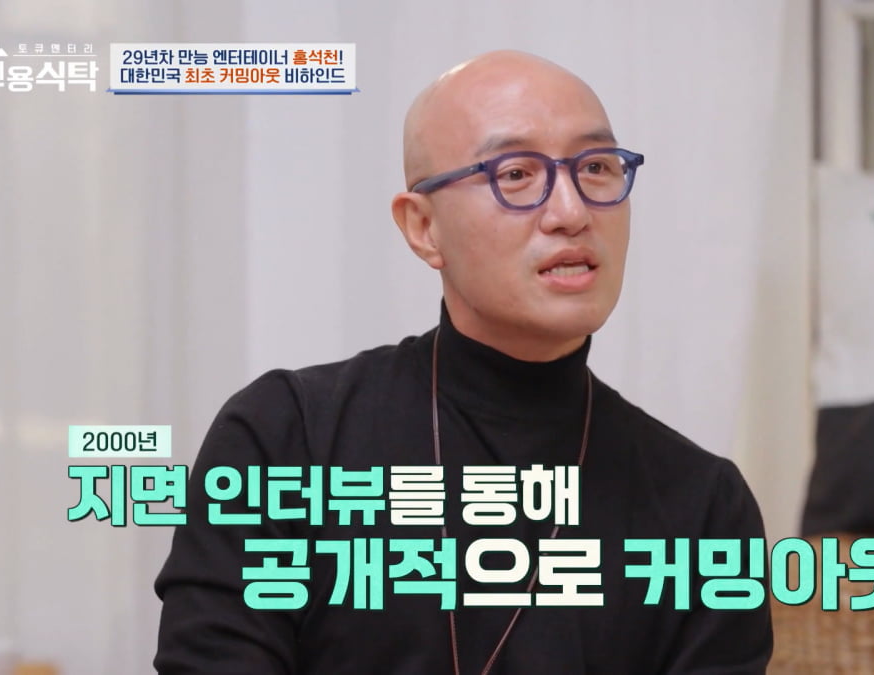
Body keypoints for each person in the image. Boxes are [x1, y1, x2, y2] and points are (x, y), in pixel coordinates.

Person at [154, 50, 772, 674]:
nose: (572, 213)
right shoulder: (287, 439)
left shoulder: (704, 509)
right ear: (423, 227)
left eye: (596, 167)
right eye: (516, 174)